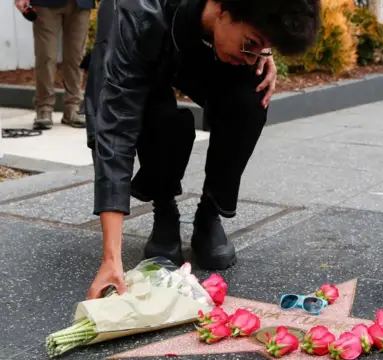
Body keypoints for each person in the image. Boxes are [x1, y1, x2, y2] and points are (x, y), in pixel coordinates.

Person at [84, 0, 320, 299]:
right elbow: (115, 126)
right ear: (222, 7)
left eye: (261, 48)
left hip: (196, 38)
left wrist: (261, 50)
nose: (252, 56)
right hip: (151, 42)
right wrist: (111, 259)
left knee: (252, 87)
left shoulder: (239, 26)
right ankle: (164, 211)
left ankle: (209, 215)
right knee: (153, 113)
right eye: (251, 44)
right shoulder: (134, 13)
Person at [14, 0, 93, 130]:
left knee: (76, 57)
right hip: (45, 5)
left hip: (80, 4)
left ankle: (73, 108)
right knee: (46, 56)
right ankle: (44, 109)